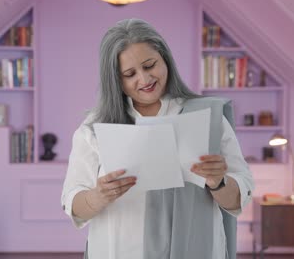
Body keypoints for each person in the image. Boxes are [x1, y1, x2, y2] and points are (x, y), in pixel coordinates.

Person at [61, 18, 254, 259]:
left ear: (165, 60)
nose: (144, 80)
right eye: (130, 74)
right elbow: (73, 201)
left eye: (150, 65)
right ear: (116, 81)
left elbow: (239, 195)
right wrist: (97, 196)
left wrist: (218, 182)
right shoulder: (93, 129)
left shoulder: (208, 119)